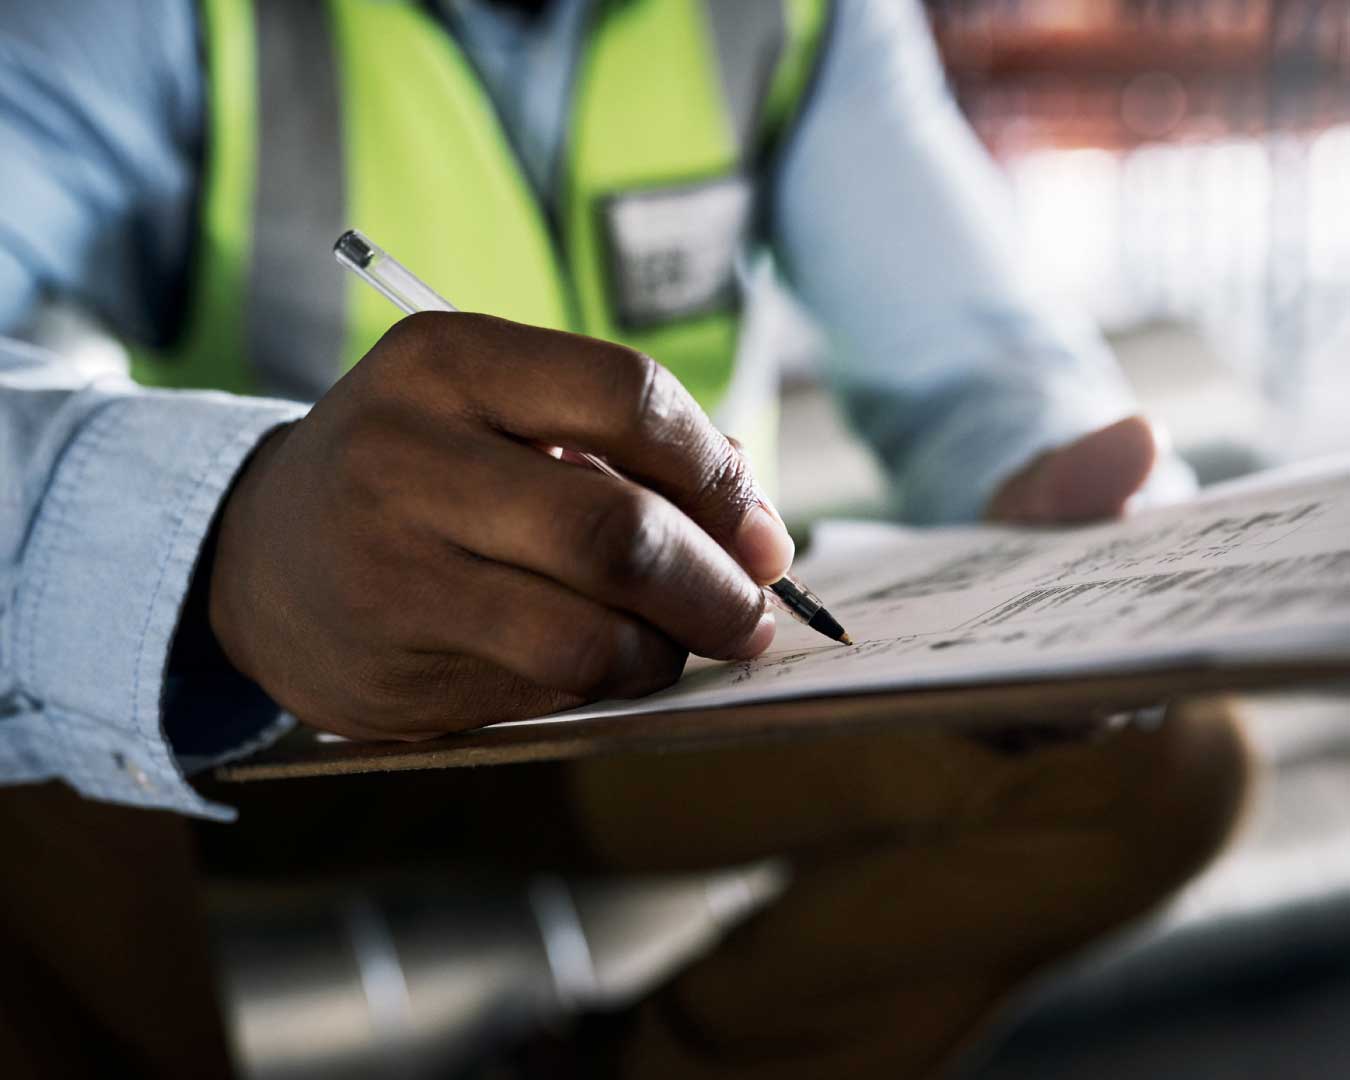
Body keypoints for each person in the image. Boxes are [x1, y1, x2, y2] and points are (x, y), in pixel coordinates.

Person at [0, 1, 1250, 1077]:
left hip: (644, 691)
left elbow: (979, 367)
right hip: (263, 732)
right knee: (37, 669)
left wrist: (1055, 471)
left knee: (1145, 752)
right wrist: (229, 534)